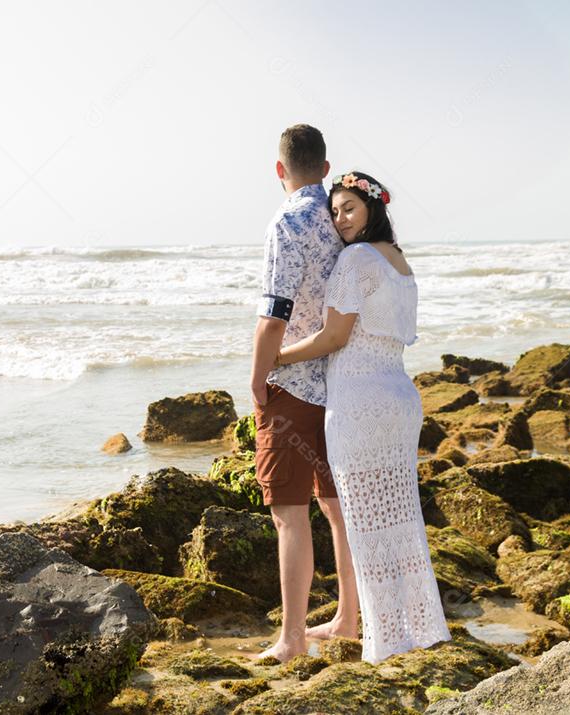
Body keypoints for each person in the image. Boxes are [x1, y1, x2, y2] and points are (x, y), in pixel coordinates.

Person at [275, 170, 451, 664]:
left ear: (373, 207)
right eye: (334, 212)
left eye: (349, 208)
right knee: (400, 518)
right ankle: (416, 626)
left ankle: (386, 639)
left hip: (359, 400)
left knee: (365, 520)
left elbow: (334, 337)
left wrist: (276, 357)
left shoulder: (355, 259)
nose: (340, 219)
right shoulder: (400, 264)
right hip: (399, 396)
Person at [250, 124, 358, 663]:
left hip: (293, 384)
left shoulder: (288, 220)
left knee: (288, 514)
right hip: (342, 382)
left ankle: (292, 639)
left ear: (280, 170)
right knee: (337, 508)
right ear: (324, 167)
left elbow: (275, 313)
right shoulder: (344, 218)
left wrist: (258, 377)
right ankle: (348, 618)